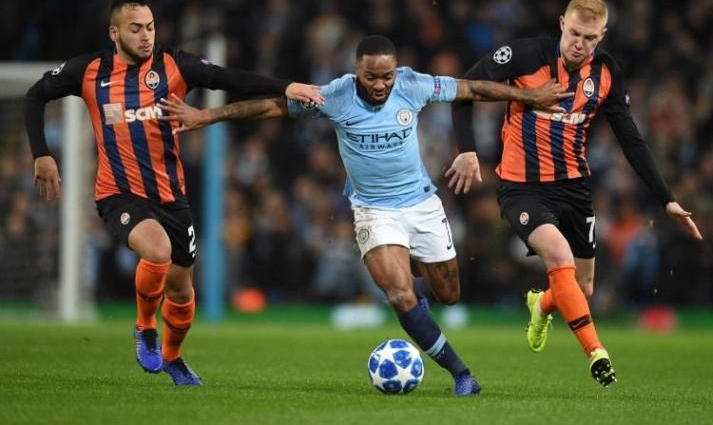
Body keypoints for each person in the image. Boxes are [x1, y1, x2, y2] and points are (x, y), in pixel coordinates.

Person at [158, 34, 571, 395]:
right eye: (371, 77)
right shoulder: (335, 95)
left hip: (422, 203)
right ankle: (461, 374)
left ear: (396, 71)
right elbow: (271, 107)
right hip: (374, 210)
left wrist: (530, 96)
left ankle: (413, 307)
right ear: (357, 70)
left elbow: (473, 90)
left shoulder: (413, 84)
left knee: (448, 294)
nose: (379, 85)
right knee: (398, 292)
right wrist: (207, 115)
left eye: (386, 76)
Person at [23, 0, 322, 386]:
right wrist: (41, 154)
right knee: (158, 251)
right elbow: (34, 94)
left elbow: (229, 78)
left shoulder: (174, 65)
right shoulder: (90, 71)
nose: (146, 35)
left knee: (182, 291)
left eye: (150, 27)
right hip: (119, 195)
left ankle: (174, 358)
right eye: (135, 29)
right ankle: (145, 326)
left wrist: (286, 86)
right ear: (114, 33)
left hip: (171, 198)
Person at [449, 0, 703, 387]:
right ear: (561, 24)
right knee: (558, 254)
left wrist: (666, 198)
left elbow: (630, 138)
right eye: (573, 33)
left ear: (601, 36)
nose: (579, 43)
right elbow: (464, 88)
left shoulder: (605, 73)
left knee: (580, 287)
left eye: (589, 36)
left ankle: (542, 302)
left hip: (574, 190)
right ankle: (596, 352)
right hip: (522, 188)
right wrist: (467, 149)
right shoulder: (525, 55)